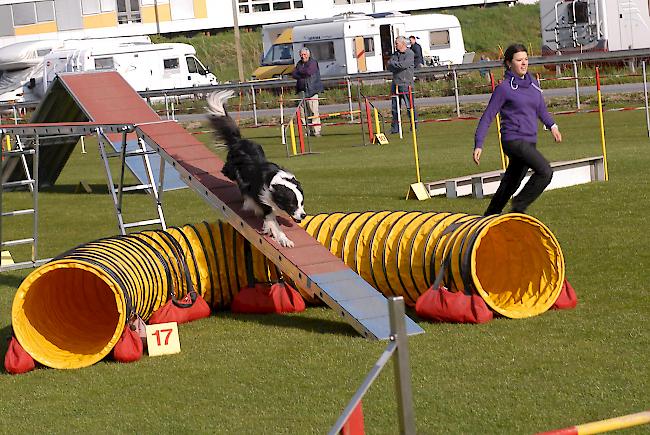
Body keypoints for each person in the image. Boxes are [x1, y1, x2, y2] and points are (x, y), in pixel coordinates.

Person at [473, 43, 562, 215]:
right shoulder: (504, 88)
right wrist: (479, 143)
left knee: (512, 181)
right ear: (508, 63)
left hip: (529, 141)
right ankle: (519, 206)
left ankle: (490, 216)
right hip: (513, 140)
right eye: (519, 60)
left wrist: (552, 126)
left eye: (526, 59)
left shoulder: (534, 84)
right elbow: (488, 116)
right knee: (545, 171)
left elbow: (541, 109)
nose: (524, 64)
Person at [388, 36, 417, 134]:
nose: (395, 45)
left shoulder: (409, 53)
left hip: (406, 84)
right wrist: (395, 65)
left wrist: (395, 65)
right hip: (395, 84)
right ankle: (395, 128)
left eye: (397, 43)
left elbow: (404, 65)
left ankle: (414, 126)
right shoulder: (395, 54)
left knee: (410, 107)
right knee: (395, 108)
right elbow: (389, 65)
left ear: (402, 43)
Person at [291, 47, 324, 136]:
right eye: (301, 55)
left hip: (312, 91)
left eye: (304, 54)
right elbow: (294, 74)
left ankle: (316, 130)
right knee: (303, 114)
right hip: (301, 92)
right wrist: (301, 73)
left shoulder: (313, 62)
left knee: (313, 112)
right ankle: (307, 131)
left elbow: (309, 72)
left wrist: (300, 73)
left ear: (308, 55)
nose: (303, 56)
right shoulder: (299, 64)